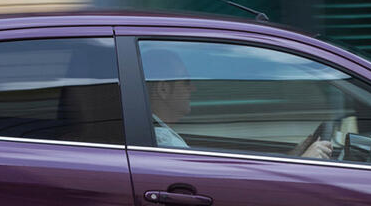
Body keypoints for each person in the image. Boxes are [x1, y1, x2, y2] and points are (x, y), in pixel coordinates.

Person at [142, 48, 333, 159]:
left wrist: (295, 156)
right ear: (163, 89)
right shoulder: (165, 142)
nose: (193, 89)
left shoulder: (158, 136)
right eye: (186, 81)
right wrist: (306, 161)